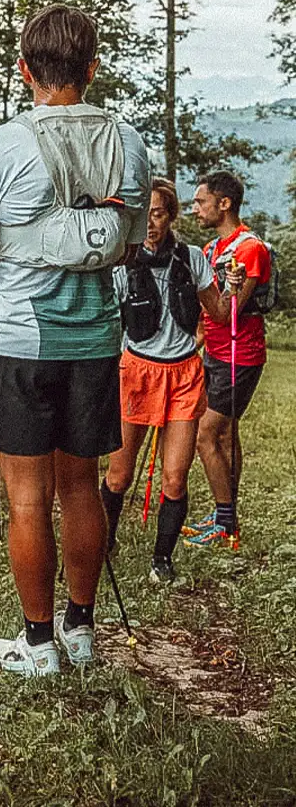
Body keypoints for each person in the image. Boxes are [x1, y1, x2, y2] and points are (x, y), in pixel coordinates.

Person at [0, 3, 151, 678]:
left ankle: (38, 645)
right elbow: (128, 248)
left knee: (28, 497)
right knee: (82, 489)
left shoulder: (1, 144)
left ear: (23, 69)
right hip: (95, 341)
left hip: (19, 341)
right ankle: (82, 631)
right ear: (91, 69)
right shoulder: (128, 141)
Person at [101, 178, 244, 581]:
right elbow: (107, 321)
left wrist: (232, 290)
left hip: (183, 374)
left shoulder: (191, 257)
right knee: (119, 475)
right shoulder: (121, 262)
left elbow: (218, 313)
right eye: (143, 215)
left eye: (159, 214)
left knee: (175, 477)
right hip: (136, 372)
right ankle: (103, 543)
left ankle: (162, 560)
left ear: (171, 216)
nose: (150, 223)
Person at [185, 170, 273, 546]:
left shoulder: (250, 249)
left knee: (205, 435)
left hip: (241, 355)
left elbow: (229, 311)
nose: (194, 209)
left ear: (224, 203)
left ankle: (225, 522)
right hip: (215, 353)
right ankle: (227, 512)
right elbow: (207, 314)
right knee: (225, 433)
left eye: (200, 201)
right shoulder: (210, 249)